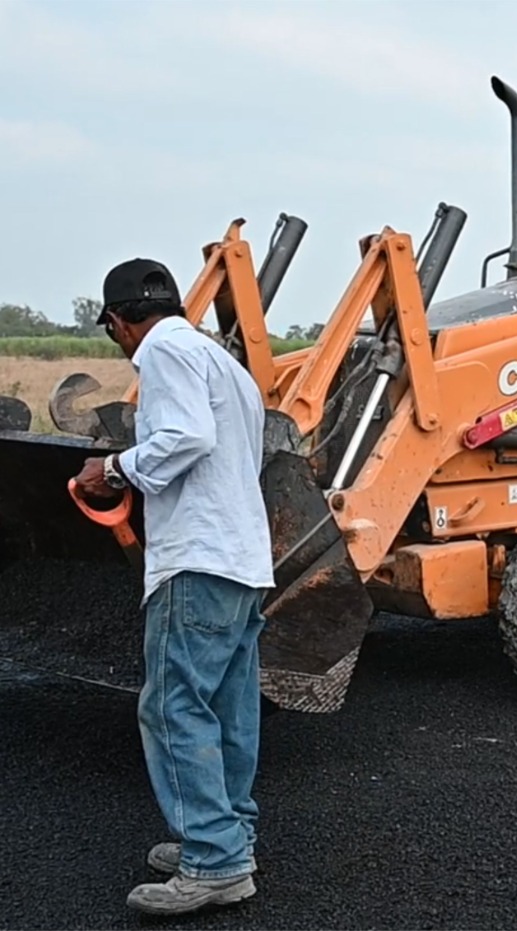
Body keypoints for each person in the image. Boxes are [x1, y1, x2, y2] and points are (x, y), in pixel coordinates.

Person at [72, 258, 276, 916]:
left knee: (172, 708)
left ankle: (214, 859)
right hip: (244, 561)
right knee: (228, 709)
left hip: (197, 559)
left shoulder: (161, 351)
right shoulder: (221, 362)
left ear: (117, 322)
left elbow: (186, 435)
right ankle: (228, 833)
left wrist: (115, 468)